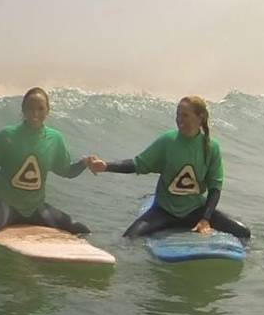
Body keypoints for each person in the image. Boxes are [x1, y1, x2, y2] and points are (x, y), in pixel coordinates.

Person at [87, 95, 252, 239]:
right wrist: (106, 166)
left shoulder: (211, 147)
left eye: (185, 115)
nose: (179, 119)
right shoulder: (168, 141)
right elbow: (138, 164)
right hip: (164, 212)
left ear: (200, 117)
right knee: (129, 238)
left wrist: (205, 219)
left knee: (243, 232)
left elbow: (215, 187)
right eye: (178, 114)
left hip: (195, 211)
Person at [0, 87, 92, 237]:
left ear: (48, 110)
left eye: (40, 109)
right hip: (4, 205)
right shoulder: (8, 135)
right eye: (30, 108)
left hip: (35, 209)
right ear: (23, 110)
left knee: (81, 229)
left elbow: (66, 170)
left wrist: (84, 163)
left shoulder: (55, 139)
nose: (35, 114)